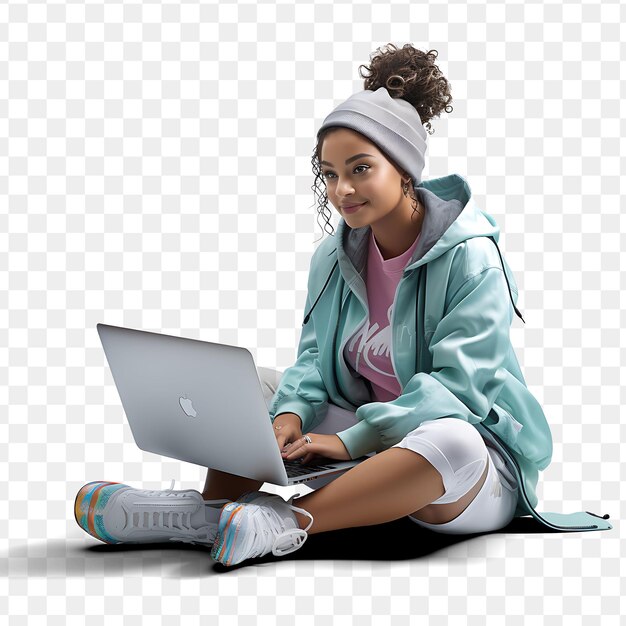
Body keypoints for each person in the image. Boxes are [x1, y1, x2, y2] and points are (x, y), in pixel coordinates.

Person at [74, 44, 555, 565]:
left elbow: (459, 392)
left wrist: (350, 441)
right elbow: (310, 362)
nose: (341, 190)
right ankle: (213, 516)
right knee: (255, 387)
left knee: (455, 438)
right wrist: (289, 415)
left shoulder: (472, 260)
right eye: (329, 174)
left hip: (466, 469)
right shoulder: (335, 255)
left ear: (404, 169)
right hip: (375, 446)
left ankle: (285, 522)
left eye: (360, 169)